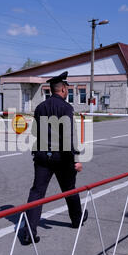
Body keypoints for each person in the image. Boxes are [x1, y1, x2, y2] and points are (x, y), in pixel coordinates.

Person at [21, 71, 88, 245]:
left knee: (37, 192)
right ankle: (76, 220)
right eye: (67, 89)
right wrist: (76, 159)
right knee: (69, 189)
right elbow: (69, 135)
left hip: (42, 156)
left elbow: (35, 131)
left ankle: (29, 232)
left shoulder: (40, 107)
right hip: (62, 157)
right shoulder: (66, 108)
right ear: (63, 89)